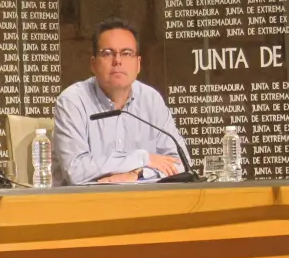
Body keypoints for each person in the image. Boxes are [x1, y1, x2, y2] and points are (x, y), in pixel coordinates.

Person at [52, 17, 189, 186]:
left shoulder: (151, 100)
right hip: (85, 200)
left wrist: (137, 174)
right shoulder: (73, 101)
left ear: (138, 64)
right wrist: (141, 158)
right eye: (107, 53)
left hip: (143, 200)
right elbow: (76, 171)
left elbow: (180, 163)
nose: (117, 60)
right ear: (93, 64)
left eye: (126, 53)